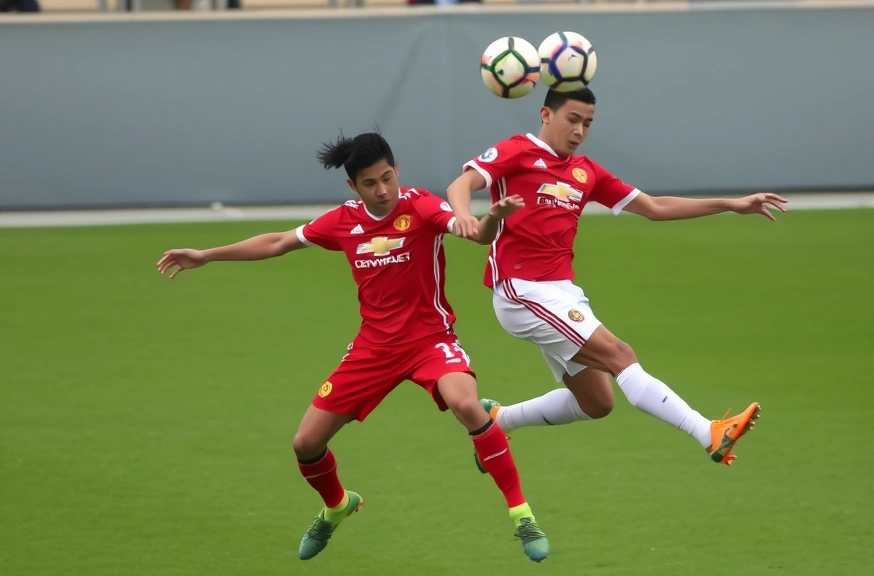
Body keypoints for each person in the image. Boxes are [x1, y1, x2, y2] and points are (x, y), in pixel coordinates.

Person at [156, 131, 549, 562]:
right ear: (353, 187)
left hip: (429, 342)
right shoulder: (343, 220)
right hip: (371, 350)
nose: (382, 190)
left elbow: (471, 232)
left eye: (387, 178)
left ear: (397, 171)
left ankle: (522, 514)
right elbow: (279, 242)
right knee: (305, 443)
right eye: (370, 183)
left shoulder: (420, 205)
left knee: (468, 407)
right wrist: (208, 255)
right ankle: (338, 505)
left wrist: (492, 218)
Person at [446, 88, 787, 469]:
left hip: (561, 293)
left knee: (597, 402)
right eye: (572, 119)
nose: (579, 130)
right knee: (620, 355)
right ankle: (708, 431)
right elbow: (461, 184)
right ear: (546, 114)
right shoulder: (516, 150)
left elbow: (655, 207)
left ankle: (498, 420)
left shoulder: (586, 171)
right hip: (520, 290)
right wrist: (463, 214)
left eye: (587, 123)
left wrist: (731, 204)